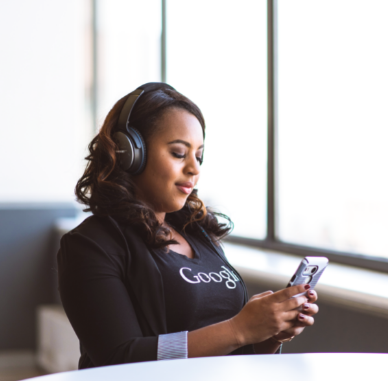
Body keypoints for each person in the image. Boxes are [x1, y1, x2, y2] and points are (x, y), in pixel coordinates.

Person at [57, 83, 319, 369]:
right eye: (179, 153)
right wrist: (240, 328)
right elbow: (120, 360)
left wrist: (268, 334)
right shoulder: (90, 245)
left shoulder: (198, 233)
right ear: (129, 154)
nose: (194, 168)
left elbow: (231, 351)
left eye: (199, 155)